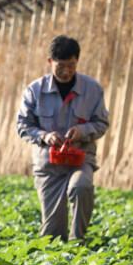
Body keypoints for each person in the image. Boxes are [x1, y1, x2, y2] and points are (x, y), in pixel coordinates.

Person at [17, 35, 109, 242]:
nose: (66, 71)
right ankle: (58, 252)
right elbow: (23, 125)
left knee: (81, 187)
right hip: (48, 164)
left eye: (71, 65)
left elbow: (102, 123)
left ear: (77, 62)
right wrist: (44, 136)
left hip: (80, 159)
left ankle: (78, 241)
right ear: (50, 62)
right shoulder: (35, 90)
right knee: (53, 234)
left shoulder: (92, 90)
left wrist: (82, 131)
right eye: (61, 66)